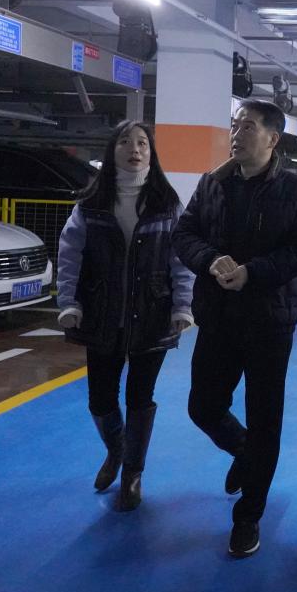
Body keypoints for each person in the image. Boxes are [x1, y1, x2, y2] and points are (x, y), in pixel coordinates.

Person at [172, 99, 297, 558]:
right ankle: (243, 451)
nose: (236, 134)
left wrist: (252, 273)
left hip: (269, 323)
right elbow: (184, 235)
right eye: (235, 126)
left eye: (248, 127)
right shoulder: (212, 183)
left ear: (273, 139)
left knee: (265, 421)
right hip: (217, 318)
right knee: (203, 407)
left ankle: (248, 516)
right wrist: (209, 259)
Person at [56, 120, 194, 512]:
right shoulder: (91, 205)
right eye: (125, 142)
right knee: (100, 400)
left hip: (153, 313)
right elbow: (70, 256)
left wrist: (183, 306)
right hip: (102, 314)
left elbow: (180, 260)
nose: (135, 149)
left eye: (142, 143)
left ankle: (133, 472)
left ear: (152, 153)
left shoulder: (167, 203)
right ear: (112, 150)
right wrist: (69, 302)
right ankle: (116, 449)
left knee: (139, 397)